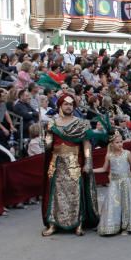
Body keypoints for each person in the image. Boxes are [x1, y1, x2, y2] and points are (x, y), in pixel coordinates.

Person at [41, 93, 101, 236]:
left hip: (74, 161)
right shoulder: (53, 123)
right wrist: (47, 135)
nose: (68, 106)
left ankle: (78, 223)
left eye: (71, 104)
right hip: (56, 162)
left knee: (75, 192)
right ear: (60, 106)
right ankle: (53, 224)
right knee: (55, 194)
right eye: (66, 104)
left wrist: (88, 162)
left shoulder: (81, 123)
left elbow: (87, 145)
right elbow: (48, 146)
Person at [94, 131, 131, 236]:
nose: (120, 144)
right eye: (117, 142)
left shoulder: (127, 153)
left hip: (126, 182)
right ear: (111, 144)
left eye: (121, 142)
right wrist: (92, 170)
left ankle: (126, 226)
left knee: (126, 203)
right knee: (114, 204)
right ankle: (113, 225)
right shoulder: (109, 156)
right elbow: (104, 168)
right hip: (115, 184)